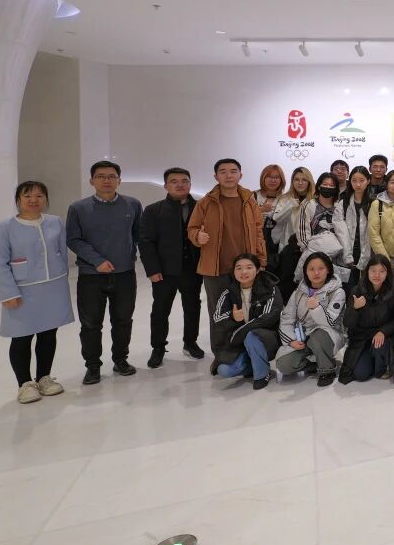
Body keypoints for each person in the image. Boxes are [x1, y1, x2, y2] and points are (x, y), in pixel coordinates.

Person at [0, 181, 73, 403]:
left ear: (46, 199)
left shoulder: (55, 222)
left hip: (53, 287)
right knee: (22, 337)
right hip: (22, 290)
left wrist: (63, 280)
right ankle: (25, 384)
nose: (34, 200)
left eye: (39, 196)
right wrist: (7, 293)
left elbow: (61, 253)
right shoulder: (4, 227)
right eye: (27, 196)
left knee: (48, 334)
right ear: (18, 200)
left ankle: (44, 378)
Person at [67, 161, 143, 385]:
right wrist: (97, 261)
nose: (106, 180)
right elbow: (73, 239)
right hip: (91, 276)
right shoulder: (78, 208)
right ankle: (93, 366)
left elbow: (139, 235)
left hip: (124, 274)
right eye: (101, 176)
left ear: (119, 180)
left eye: (111, 176)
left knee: (123, 320)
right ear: (92, 181)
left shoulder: (133, 205)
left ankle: (121, 360)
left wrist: (130, 257)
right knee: (91, 324)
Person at [138, 167, 204, 368]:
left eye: (184, 181)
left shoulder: (202, 208)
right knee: (160, 310)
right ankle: (158, 347)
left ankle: (190, 343)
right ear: (166, 186)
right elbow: (146, 241)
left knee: (192, 307)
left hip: (193, 269)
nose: (180, 185)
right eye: (174, 181)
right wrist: (152, 269)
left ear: (190, 184)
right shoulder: (153, 210)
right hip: (164, 271)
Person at [188, 158, 267, 320]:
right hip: (216, 269)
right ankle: (220, 339)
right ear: (216, 176)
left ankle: (242, 338)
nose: (229, 176)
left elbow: (258, 233)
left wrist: (261, 261)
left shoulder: (249, 202)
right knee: (219, 313)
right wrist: (197, 236)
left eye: (233, 172)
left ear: (240, 175)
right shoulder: (205, 202)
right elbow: (192, 228)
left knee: (246, 311)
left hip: (245, 267)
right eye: (223, 172)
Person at [210, 254, 282, 390]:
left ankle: (262, 375)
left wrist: (239, 333)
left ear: (258, 270)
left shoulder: (269, 288)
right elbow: (217, 318)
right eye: (239, 268)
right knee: (224, 370)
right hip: (239, 345)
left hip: (266, 339)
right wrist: (232, 317)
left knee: (251, 336)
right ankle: (253, 364)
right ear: (234, 271)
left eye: (249, 267)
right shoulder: (228, 291)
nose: (244, 272)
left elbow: (269, 316)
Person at [275, 251, 346, 387]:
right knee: (283, 365)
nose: (316, 273)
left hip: (327, 335)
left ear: (328, 270)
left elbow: (331, 322)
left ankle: (327, 370)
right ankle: (315, 364)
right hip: (303, 337)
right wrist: (292, 340)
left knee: (318, 336)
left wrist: (316, 308)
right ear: (305, 272)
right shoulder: (298, 292)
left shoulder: (337, 292)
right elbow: (287, 319)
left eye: (321, 268)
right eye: (311, 269)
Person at [340, 254, 394, 383]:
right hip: (361, 338)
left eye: (382, 271)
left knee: (379, 348)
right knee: (360, 375)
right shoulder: (357, 290)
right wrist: (354, 308)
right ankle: (370, 358)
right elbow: (347, 323)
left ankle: (382, 364)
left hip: (383, 337)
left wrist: (383, 331)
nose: (377, 275)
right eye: (373, 271)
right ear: (367, 271)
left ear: (387, 273)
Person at [272, 166, 315, 300]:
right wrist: (290, 205)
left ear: (309, 182)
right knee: (287, 283)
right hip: (288, 248)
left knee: (308, 283)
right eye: (296, 179)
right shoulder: (285, 199)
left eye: (304, 180)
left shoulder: (315, 200)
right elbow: (277, 219)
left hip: (309, 248)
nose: (300, 183)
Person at [295, 172, 345, 282]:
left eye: (331, 185)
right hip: (313, 255)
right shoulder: (309, 205)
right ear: (318, 186)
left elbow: (343, 232)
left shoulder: (339, 207)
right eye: (325, 184)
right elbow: (302, 233)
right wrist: (310, 253)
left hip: (336, 257)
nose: (328, 187)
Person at [333, 166, 372, 285]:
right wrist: (347, 255)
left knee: (366, 286)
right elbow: (340, 232)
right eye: (354, 180)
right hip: (346, 251)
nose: (358, 184)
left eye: (362, 180)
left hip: (368, 252)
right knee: (348, 287)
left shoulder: (374, 203)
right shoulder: (343, 203)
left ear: (368, 181)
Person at [256, 164, 286, 265]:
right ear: (263, 178)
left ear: (281, 180)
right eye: (269, 176)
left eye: (277, 177)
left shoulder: (286, 199)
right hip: (255, 241)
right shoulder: (252, 196)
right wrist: (260, 210)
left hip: (276, 245)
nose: (273, 180)